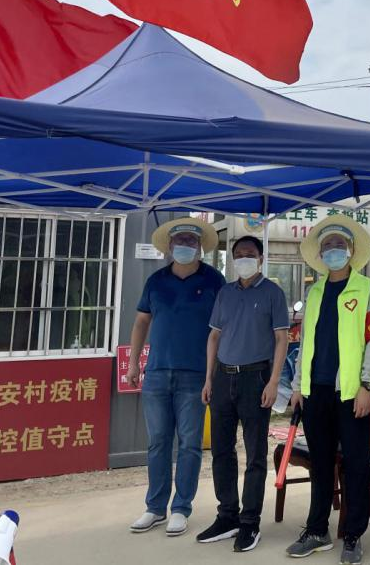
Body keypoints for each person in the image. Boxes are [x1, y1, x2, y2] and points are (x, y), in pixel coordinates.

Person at [285, 215, 370, 564]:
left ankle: (353, 535)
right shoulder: (314, 292)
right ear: (320, 253)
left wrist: (368, 386)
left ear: (351, 250)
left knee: (356, 464)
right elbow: (305, 345)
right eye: (327, 246)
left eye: (339, 245)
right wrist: (297, 386)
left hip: (351, 393)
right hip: (315, 392)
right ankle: (317, 530)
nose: (333, 250)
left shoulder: (367, 289)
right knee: (321, 463)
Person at [127, 218, 226, 538]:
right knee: (158, 442)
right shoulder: (156, 281)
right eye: (180, 240)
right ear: (169, 246)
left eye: (191, 240)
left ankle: (181, 507)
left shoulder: (214, 280)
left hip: (196, 375)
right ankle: (155, 507)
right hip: (156, 373)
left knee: (190, 444)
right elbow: (141, 322)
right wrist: (133, 364)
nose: (185, 245)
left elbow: (222, 328)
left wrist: (214, 374)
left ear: (200, 246)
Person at [197, 235, 289, 552]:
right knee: (221, 451)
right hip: (223, 377)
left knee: (254, 454)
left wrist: (273, 382)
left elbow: (282, 339)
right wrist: (208, 379)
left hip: (256, 378)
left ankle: (250, 522)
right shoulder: (225, 293)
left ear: (261, 258)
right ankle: (227, 516)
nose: (244, 258)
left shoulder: (273, 293)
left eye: (250, 253)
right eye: (239, 254)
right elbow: (214, 337)